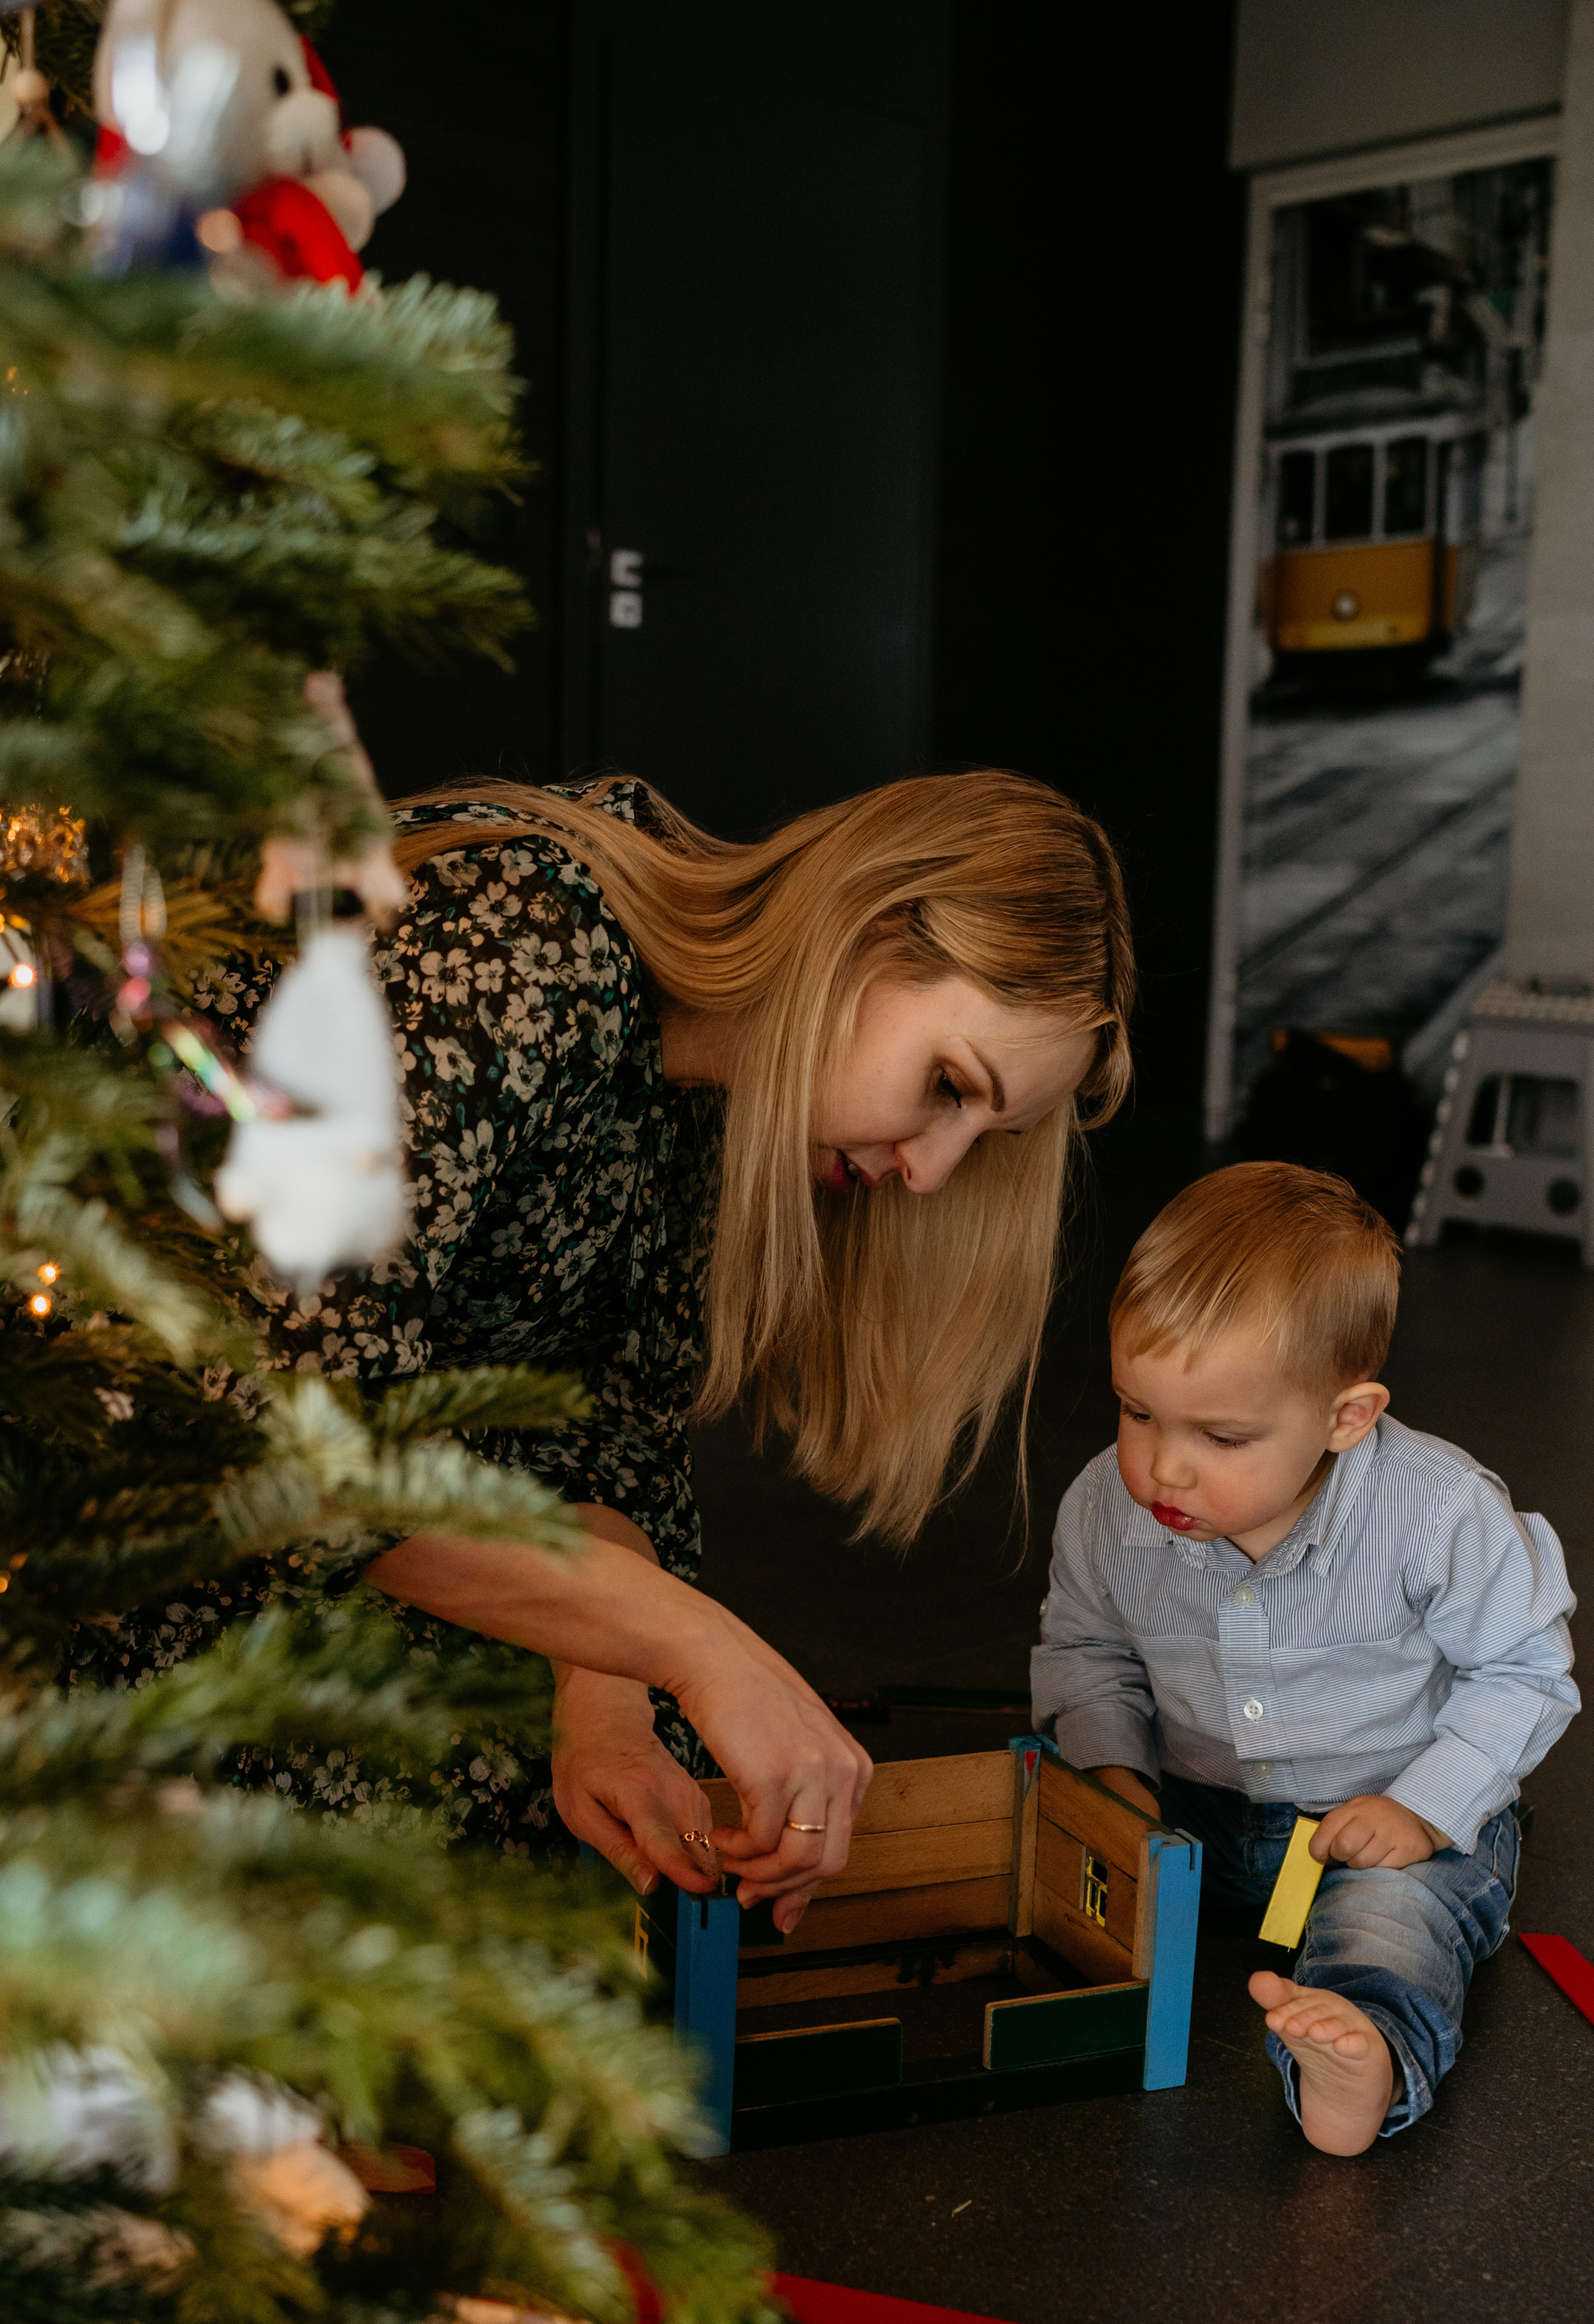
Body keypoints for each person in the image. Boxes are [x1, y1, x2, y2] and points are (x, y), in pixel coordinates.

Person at [126, 770, 1134, 1928]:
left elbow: (594, 1438)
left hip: (310, 1540)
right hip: (103, 1518)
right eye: (948, 1087)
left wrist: (604, 1706)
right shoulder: (514, 946)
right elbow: (297, 1445)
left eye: (982, 1132)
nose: (932, 1170)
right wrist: (700, 1652)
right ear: (866, 930)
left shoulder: (717, 1099)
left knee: (583, 1848)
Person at [1031, 1163, 1578, 2155]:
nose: (1164, 1465)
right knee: (1062, 1846)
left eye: (1222, 1434)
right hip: (1195, 1801)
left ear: (1346, 1417)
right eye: (1136, 1409)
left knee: (1392, 1929)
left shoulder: (1439, 1511)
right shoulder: (1105, 1508)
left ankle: (1364, 2050)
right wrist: (1113, 1774)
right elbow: (1087, 1648)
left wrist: (1423, 1807)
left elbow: (1528, 1674)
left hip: (1383, 1812)